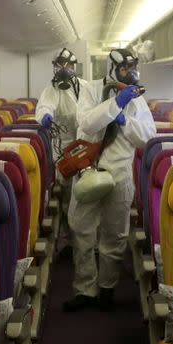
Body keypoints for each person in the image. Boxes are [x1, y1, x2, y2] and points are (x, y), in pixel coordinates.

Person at [63, 48, 155, 312]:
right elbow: (87, 122)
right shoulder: (91, 90)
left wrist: (125, 121)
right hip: (90, 170)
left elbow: (147, 135)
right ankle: (84, 290)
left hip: (120, 172)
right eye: (125, 69)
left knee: (115, 234)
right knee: (81, 230)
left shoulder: (137, 98)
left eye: (133, 68)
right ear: (111, 69)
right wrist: (115, 105)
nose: (131, 74)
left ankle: (106, 288)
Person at [36, 48, 85, 253]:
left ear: (74, 67)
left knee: (84, 195)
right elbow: (44, 107)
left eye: (69, 65)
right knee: (65, 195)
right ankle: (66, 238)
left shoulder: (84, 87)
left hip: (82, 145)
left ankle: (86, 239)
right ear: (55, 67)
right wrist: (45, 116)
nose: (65, 69)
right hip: (61, 147)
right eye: (60, 65)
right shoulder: (51, 89)